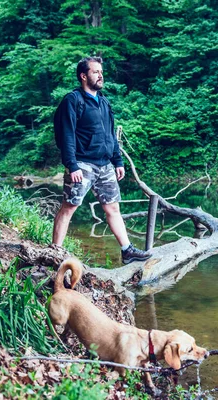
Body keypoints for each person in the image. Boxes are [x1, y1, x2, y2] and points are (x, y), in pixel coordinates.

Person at [52, 56, 151, 265]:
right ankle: (55, 253)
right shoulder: (73, 100)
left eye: (101, 71)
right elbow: (66, 134)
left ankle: (127, 251)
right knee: (69, 207)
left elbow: (110, 134)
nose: (100, 75)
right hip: (82, 164)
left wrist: (118, 161)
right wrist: (72, 164)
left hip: (105, 164)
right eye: (95, 71)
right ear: (83, 75)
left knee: (112, 208)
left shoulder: (104, 102)